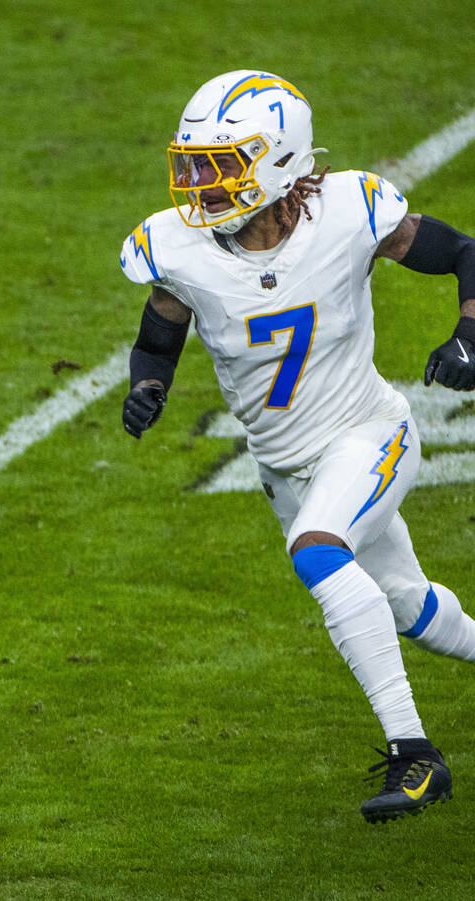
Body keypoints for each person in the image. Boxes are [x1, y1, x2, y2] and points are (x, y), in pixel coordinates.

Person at [118, 70, 475, 824]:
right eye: (194, 164)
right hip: (284, 466)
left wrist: (469, 335)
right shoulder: (179, 246)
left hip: (368, 432)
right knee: (409, 607)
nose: (200, 184)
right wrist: (148, 384)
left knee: (318, 551)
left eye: (220, 164)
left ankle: (417, 754)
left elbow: (463, 253)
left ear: (278, 161)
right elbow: (160, 330)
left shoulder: (350, 210)